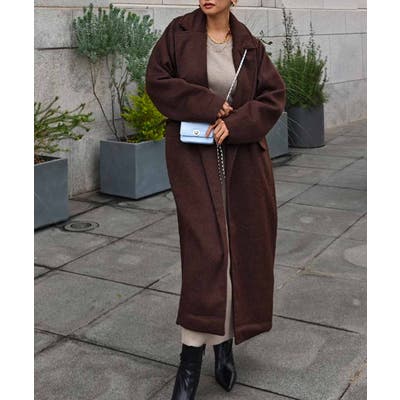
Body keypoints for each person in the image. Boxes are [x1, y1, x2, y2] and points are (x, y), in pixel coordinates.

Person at [145, 1, 286, 399]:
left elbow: (273, 96)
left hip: (244, 166)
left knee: (241, 251)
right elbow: (157, 82)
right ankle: (190, 362)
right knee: (206, 254)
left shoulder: (250, 46)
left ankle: (224, 344)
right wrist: (207, 105)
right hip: (193, 160)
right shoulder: (178, 33)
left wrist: (235, 124)